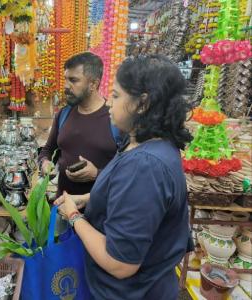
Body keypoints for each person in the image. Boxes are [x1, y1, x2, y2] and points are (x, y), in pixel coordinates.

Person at [55, 55, 193, 299]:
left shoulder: (145, 166)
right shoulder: (146, 146)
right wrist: (88, 198)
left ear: (142, 104)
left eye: (117, 96)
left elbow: (120, 263)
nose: (110, 104)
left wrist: (75, 217)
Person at [38, 52, 118, 197]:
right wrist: (45, 163)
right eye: (66, 79)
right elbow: (47, 150)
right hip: (62, 205)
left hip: (99, 212)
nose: (66, 86)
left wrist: (97, 174)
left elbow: (128, 172)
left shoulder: (115, 119)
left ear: (93, 84)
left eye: (74, 80)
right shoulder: (64, 114)